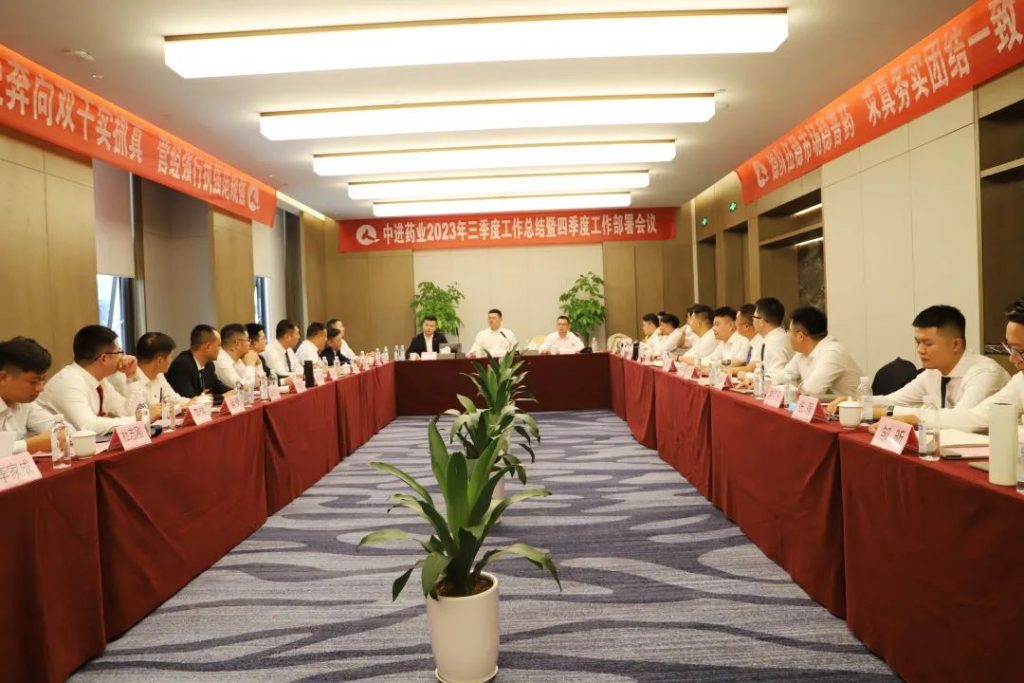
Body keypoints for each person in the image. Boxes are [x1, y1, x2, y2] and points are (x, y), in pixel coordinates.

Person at [828, 305, 1008, 422]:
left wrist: (888, 413)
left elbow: (960, 418)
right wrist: (854, 402)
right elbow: (892, 400)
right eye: (918, 342)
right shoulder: (933, 372)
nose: (920, 350)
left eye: (928, 344)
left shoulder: (985, 373)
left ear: (956, 344)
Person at [917, 298, 1024, 431]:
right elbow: (975, 418)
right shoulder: (1021, 381)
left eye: (1019, 350)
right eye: (1010, 348)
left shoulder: (986, 372)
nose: (1012, 358)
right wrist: (911, 417)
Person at [39, 325, 141, 433]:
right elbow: (88, 426)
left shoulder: (100, 381)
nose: (123, 357)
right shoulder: (69, 382)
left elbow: (128, 412)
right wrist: (140, 419)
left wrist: (131, 376)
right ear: (104, 359)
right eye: (120, 352)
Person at [783, 306, 863, 399]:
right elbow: (785, 375)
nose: (787, 335)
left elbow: (811, 390)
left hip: (854, 406)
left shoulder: (832, 353)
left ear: (800, 336)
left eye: (789, 331)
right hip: (827, 405)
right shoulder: (802, 352)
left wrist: (794, 387)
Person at [0, 337, 54, 453]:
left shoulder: (24, 403)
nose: (41, 388)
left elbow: (64, 432)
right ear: (3, 378)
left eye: (43, 380)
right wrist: (28, 445)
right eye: (34, 382)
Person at [164, 324, 231, 398]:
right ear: (207, 346)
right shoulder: (181, 365)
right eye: (218, 345)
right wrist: (221, 397)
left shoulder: (209, 365)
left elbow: (218, 387)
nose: (220, 349)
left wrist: (234, 392)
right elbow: (190, 399)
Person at [134, 332, 188, 411]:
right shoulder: (130, 379)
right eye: (171, 357)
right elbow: (144, 413)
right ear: (160, 361)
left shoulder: (159, 374)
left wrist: (195, 402)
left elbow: (174, 399)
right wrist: (180, 407)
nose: (171, 360)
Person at [750, 297, 794, 377]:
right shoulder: (775, 337)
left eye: (754, 317)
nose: (752, 320)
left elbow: (775, 377)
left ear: (761, 321)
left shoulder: (774, 342)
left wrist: (747, 376)